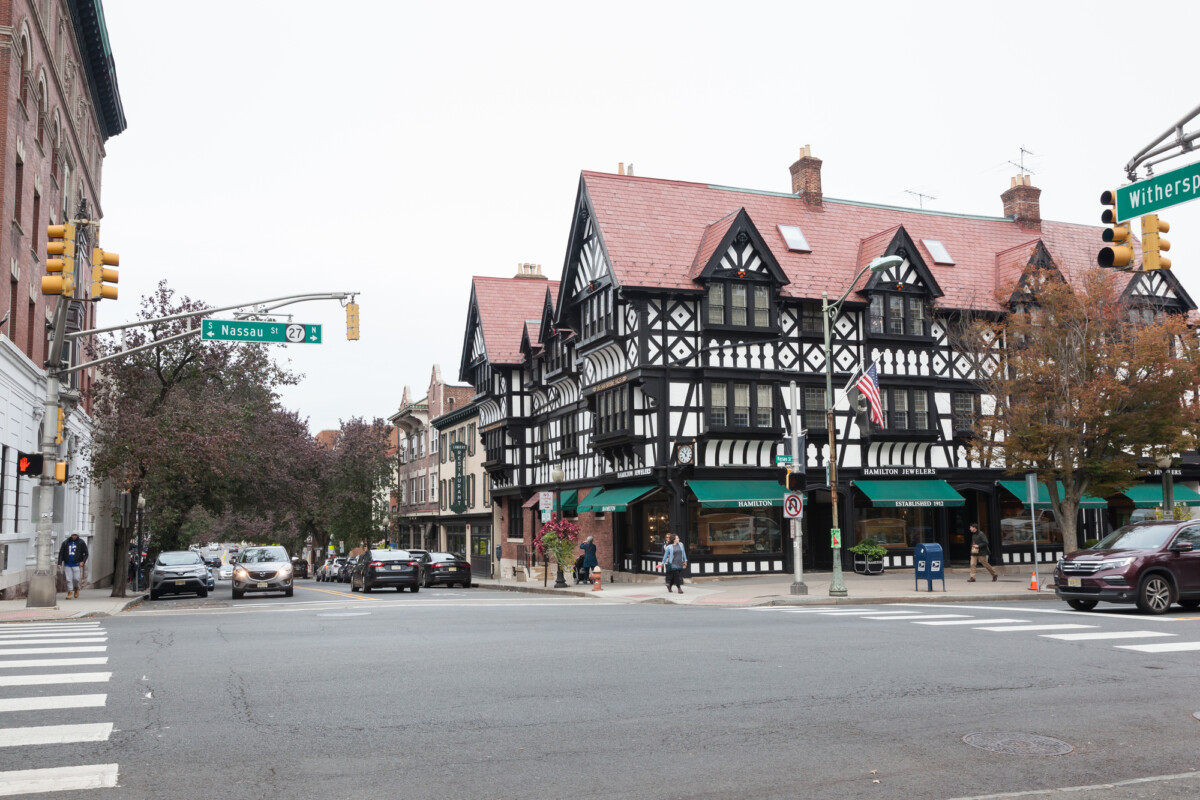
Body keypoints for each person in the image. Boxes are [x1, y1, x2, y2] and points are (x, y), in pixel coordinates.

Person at [57, 532, 89, 599]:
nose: (74, 536)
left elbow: (86, 553)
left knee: (76, 578)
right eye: (73, 535)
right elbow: (61, 553)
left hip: (76, 563)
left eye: (75, 535)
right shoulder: (66, 542)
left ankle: (76, 588)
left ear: (77, 536)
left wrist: (82, 561)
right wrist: (59, 563)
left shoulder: (81, 542)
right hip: (67, 563)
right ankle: (70, 592)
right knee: (68, 579)